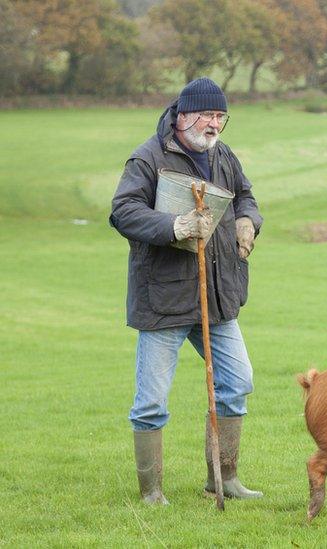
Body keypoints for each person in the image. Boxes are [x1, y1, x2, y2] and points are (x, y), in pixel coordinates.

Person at [110, 77, 263, 504]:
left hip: (216, 297)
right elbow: (123, 212)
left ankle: (224, 479)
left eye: (220, 117)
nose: (214, 125)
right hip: (164, 298)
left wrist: (249, 222)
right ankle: (152, 493)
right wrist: (173, 226)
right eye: (207, 115)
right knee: (152, 402)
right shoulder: (148, 159)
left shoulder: (224, 156)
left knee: (238, 383)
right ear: (182, 116)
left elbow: (245, 196)